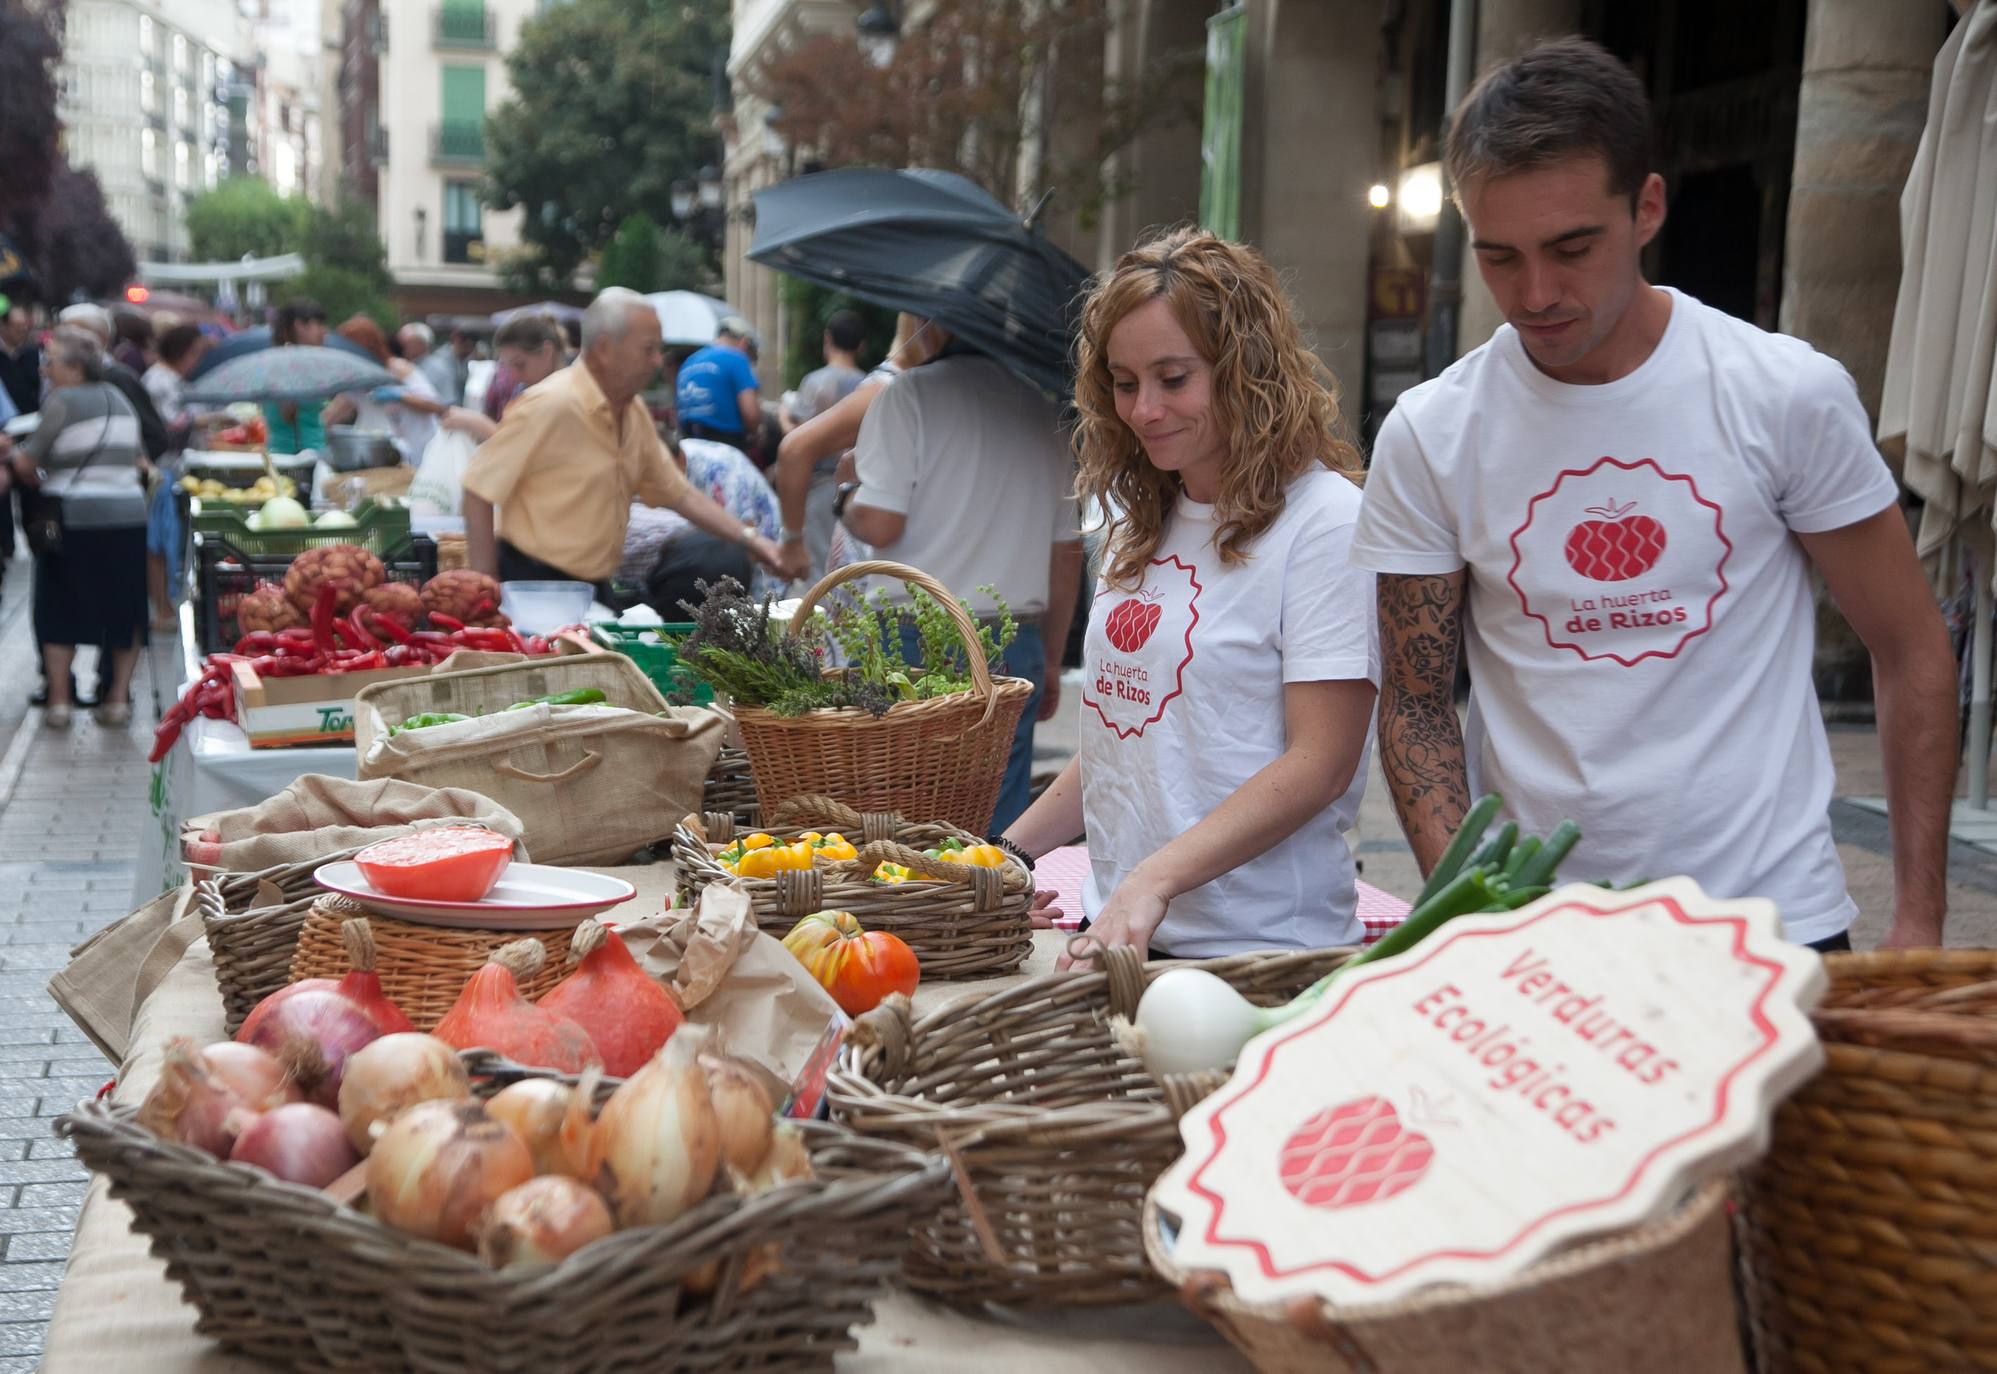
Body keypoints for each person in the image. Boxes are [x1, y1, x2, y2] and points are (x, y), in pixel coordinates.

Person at [1350, 39, 1957, 952]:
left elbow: (1909, 649)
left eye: (1571, 247)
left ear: (1646, 208)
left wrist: (1918, 920)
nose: (1536, 292)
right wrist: (1471, 916)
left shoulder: (1782, 393)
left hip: (1766, 924)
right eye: (1498, 257)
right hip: (1536, 932)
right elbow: (1416, 704)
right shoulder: (1431, 431)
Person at [996, 230, 1376, 964]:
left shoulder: (1325, 521)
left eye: (1173, 379)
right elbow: (1123, 738)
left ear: (1245, 371)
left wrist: (1151, 880)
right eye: (1125, 381)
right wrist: (1002, 854)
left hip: (1257, 952)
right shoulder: (1143, 519)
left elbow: (1321, 762)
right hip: (1120, 939)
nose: (1143, 410)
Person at [843, 327, 1081, 833]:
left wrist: (845, 497)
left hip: (906, 631)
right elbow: (1066, 556)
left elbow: (882, 524)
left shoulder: (906, 396)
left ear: (938, 328)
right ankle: (994, 907)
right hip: (1013, 637)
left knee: (898, 813)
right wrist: (1053, 660)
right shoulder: (1044, 415)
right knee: (998, 823)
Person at [460, 287, 787, 600]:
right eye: (648, 349)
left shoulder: (632, 411)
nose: (658, 361)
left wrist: (754, 542)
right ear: (604, 349)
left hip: (594, 584)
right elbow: (477, 488)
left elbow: (679, 493)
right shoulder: (551, 404)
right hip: (535, 581)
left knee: (718, 559)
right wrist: (487, 584)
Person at [8, 327, 150, 729]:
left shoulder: (61, 402)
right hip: (127, 518)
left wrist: (24, 461)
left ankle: (59, 702)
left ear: (73, 367)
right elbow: (138, 459)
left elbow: (26, 462)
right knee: (123, 607)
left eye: (50, 361)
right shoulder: (121, 400)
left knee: (59, 606)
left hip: (76, 519)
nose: (44, 368)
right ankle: (118, 699)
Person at [773, 314, 945, 584]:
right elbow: (796, 449)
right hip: (874, 546)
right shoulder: (893, 387)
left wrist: (792, 540)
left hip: (863, 527)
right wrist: (793, 541)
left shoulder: (900, 387)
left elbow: (795, 445)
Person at [621, 432, 785, 612]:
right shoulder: (660, 464)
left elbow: (740, 539)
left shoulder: (720, 469)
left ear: (680, 460)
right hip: (716, 555)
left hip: (764, 550)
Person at [140, 323, 219, 627]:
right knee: (158, 541)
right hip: (162, 468)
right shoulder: (160, 380)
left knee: (163, 539)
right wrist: (210, 419)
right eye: (195, 353)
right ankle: (161, 608)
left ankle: (165, 607)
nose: (197, 360)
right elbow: (173, 425)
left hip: (172, 467)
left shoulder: (170, 378)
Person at [322, 316, 443, 460]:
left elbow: (435, 406)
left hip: (417, 449)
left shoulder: (398, 369)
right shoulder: (357, 379)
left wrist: (399, 395)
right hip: (379, 451)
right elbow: (335, 411)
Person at [441, 313, 566, 442]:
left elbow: (527, 450)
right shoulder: (529, 390)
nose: (513, 376)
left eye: (520, 365)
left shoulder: (565, 397)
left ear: (547, 352)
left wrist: (480, 425)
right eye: (506, 367)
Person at [673, 319, 760, 452]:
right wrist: (754, 432)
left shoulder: (689, 362)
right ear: (743, 343)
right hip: (726, 444)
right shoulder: (737, 358)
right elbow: (751, 414)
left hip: (689, 444)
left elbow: (678, 412)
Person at [264, 298, 329, 454]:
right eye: (318, 324)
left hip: (312, 452)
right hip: (293, 457)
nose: (324, 331)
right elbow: (287, 413)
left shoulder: (313, 362)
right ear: (299, 326)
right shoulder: (283, 363)